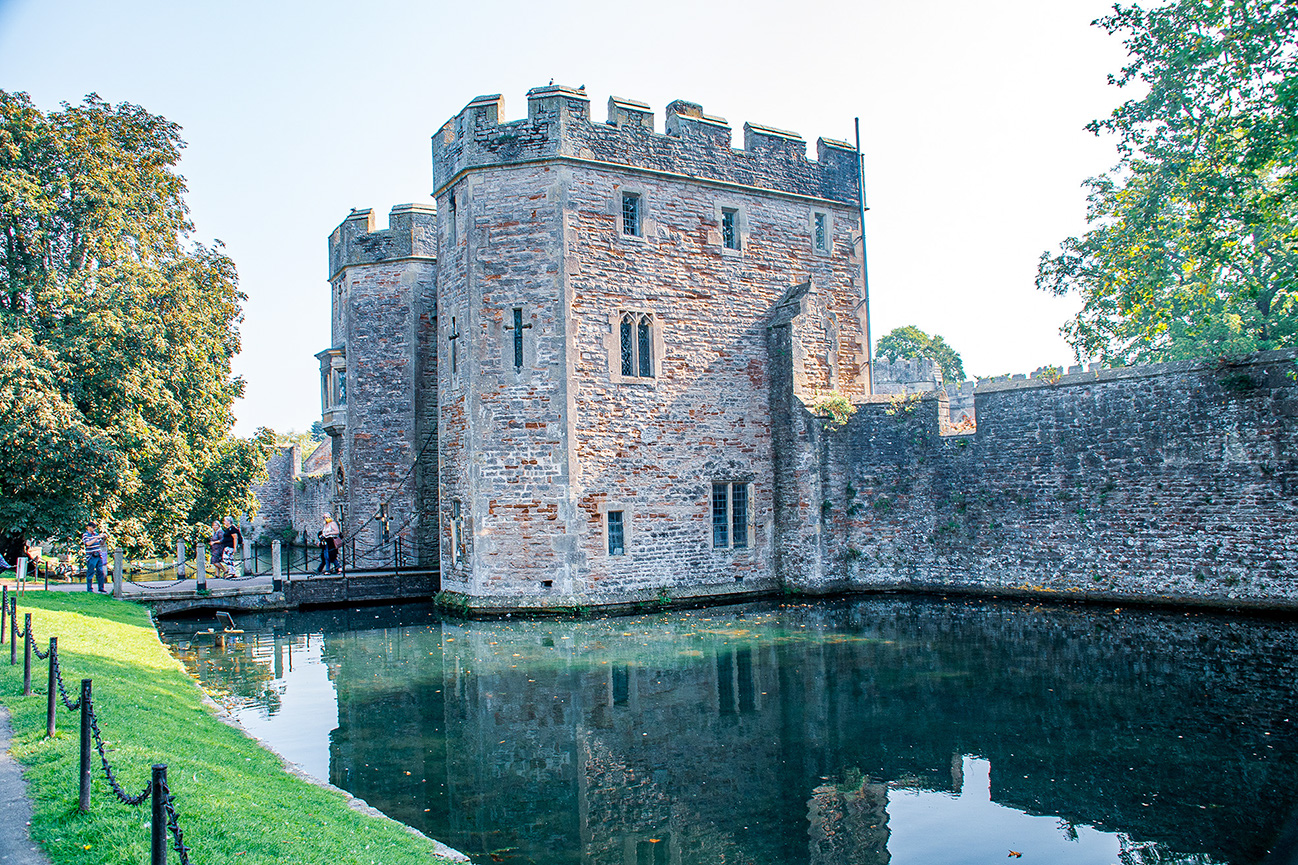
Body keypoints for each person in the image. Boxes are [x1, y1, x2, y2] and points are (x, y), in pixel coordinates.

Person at [82, 522, 107, 593]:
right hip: (91, 556)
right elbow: (87, 543)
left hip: (98, 555)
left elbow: (101, 544)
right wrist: (96, 538)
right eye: (93, 527)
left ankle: (101, 588)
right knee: (90, 573)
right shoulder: (85, 535)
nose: (94, 529)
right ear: (88, 527)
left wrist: (104, 539)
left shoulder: (96, 534)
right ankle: (89, 589)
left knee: (100, 572)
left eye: (95, 527)